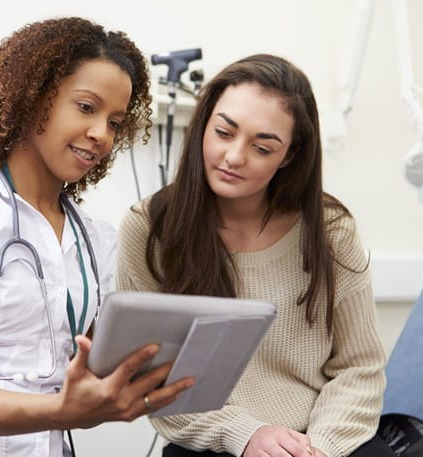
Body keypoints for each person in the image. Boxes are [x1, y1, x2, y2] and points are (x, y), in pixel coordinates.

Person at [0, 17, 194, 457]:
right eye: (86, 107)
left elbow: (93, 366)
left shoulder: (96, 241)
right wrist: (58, 409)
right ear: (33, 95)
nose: (101, 135)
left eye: (115, 122)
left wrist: (141, 378)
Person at [116, 54, 392, 457]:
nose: (233, 157)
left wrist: (318, 448)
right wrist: (246, 435)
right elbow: (155, 382)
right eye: (224, 132)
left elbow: (359, 368)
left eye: (262, 147)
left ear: (290, 156)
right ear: (204, 123)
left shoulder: (330, 231)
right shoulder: (149, 228)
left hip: (322, 441)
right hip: (216, 440)